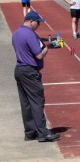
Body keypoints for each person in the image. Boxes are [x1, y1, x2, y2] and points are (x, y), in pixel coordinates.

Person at [12, 11, 60, 142]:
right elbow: (39, 55)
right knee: (37, 102)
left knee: (25, 103)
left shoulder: (16, 33)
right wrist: (47, 48)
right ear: (31, 21)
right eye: (38, 22)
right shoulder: (30, 34)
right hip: (30, 71)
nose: (39, 25)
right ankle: (43, 133)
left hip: (19, 69)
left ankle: (30, 132)